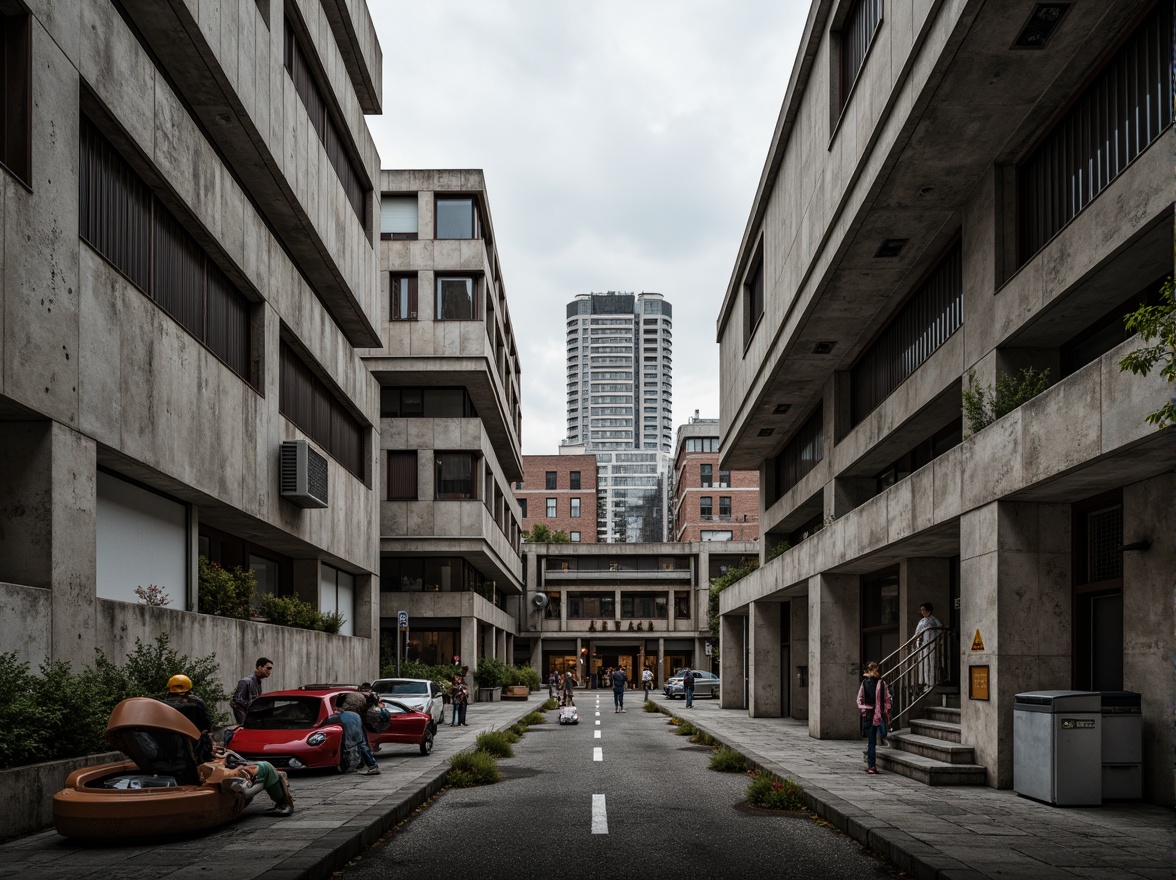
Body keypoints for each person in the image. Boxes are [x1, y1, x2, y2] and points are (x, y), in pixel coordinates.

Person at [161, 674, 214, 762]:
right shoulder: (196, 703)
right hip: (193, 746)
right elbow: (205, 725)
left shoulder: (162, 704)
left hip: (168, 747)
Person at [857, 661, 892, 775]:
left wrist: (864, 708)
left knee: (872, 741)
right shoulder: (881, 683)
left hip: (870, 714)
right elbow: (888, 699)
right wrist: (884, 709)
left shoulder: (866, 683)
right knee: (879, 736)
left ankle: (871, 765)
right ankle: (871, 765)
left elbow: (859, 700)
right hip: (877, 714)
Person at [338, 684, 380, 775]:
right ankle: (368, 765)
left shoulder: (349, 694)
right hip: (356, 718)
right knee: (361, 742)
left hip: (349, 717)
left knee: (358, 742)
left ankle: (371, 765)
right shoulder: (369, 696)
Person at [230, 657, 273, 724]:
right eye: (268, 668)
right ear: (260, 667)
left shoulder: (258, 682)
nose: (269, 671)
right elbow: (236, 701)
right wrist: (244, 720)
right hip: (248, 720)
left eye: (271, 669)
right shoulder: (245, 681)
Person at [914, 603, 943, 690]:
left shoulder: (934, 620)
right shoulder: (921, 621)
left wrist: (940, 640)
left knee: (931, 662)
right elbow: (917, 633)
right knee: (922, 663)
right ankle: (923, 682)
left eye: (924, 610)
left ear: (929, 610)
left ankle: (931, 683)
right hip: (922, 644)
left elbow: (940, 630)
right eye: (921, 610)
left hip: (930, 643)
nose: (922, 612)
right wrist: (915, 641)